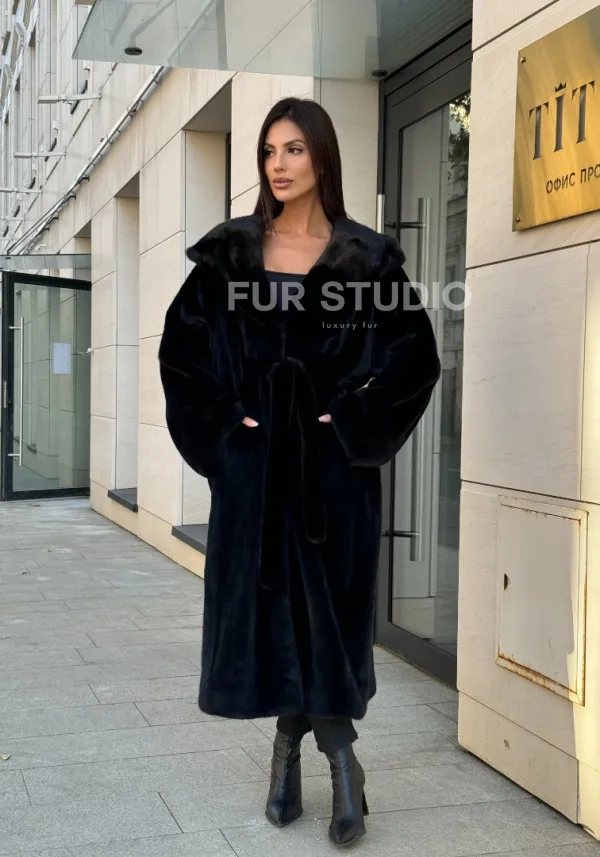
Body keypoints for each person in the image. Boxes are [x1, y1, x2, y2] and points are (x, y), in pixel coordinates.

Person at [158, 96, 441, 847]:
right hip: (254, 481)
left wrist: (347, 421)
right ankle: (310, 757)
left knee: (326, 620)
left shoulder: (365, 259)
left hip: (331, 484)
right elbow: (181, 358)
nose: (277, 165)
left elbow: (414, 359)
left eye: (292, 149)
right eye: (268, 151)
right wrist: (227, 428)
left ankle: (325, 757)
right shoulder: (229, 256)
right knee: (273, 619)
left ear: (321, 156)